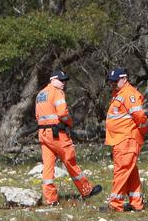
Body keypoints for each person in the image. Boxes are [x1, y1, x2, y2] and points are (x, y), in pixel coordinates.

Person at [35, 70, 102, 205]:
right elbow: (62, 113)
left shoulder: (41, 93)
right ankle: (86, 191)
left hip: (43, 134)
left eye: (65, 80)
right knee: (70, 161)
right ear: (53, 80)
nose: (64, 83)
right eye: (61, 80)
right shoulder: (57, 92)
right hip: (57, 134)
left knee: (48, 167)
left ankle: (50, 199)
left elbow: (38, 115)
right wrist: (69, 123)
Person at [104, 68, 148, 212]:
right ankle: (136, 203)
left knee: (122, 170)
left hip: (126, 138)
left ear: (125, 79)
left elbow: (140, 116)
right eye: (111, 82)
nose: (113, 84)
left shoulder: (129, 94)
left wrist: (140, 133)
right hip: (120, 139)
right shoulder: (119, 93)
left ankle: (115, 204)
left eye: (115, 81)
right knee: (130, 170)